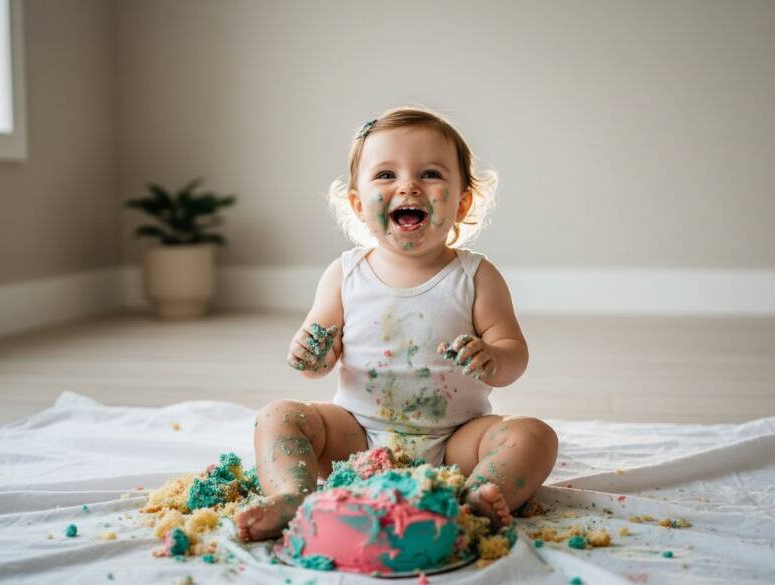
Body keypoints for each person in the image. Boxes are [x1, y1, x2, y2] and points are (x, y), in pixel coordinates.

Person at [236, 106, 558, 542]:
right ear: (357, 204)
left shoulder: (475, 276)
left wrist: (493, 357)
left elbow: (513, 355)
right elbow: (318, 362)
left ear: (462, 202)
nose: (408, 185)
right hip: (357, 435)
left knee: (534, 435)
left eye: (429, 173)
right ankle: (293, 493)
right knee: (278, 416)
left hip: (455, 442)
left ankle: (474, 497)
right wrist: (309, 356)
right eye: (385, 175)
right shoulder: (344, 274)